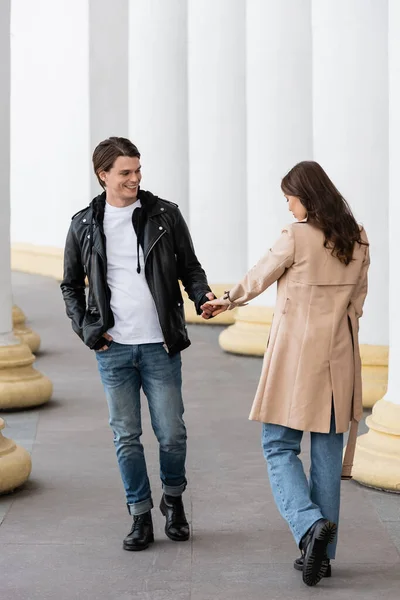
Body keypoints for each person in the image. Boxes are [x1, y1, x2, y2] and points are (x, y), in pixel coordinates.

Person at [202, 161, 369, 587]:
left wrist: (227, 300)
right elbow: (358, 303)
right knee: (327, 457)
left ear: (306, 197)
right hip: (341, 357)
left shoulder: (295, 236)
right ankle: (324, 556)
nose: (289, 206)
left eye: (290, 198)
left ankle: (310, 525)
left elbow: (259, 276)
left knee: (278, 445)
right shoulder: (358, 236)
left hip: (297, 357)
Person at [61, 137, 215, 551]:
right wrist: (89, 331)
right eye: (125, 172)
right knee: (126, 436)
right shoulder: (83, 224)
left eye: (138, 170)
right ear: (103, 175)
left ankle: (174, 500)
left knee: (172, 434)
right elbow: (71, 285)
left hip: (159, 345)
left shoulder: (165, 215)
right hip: (114, 349)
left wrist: (202, 298)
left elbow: (191, 268)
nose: (135, 178)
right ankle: (140, 514)